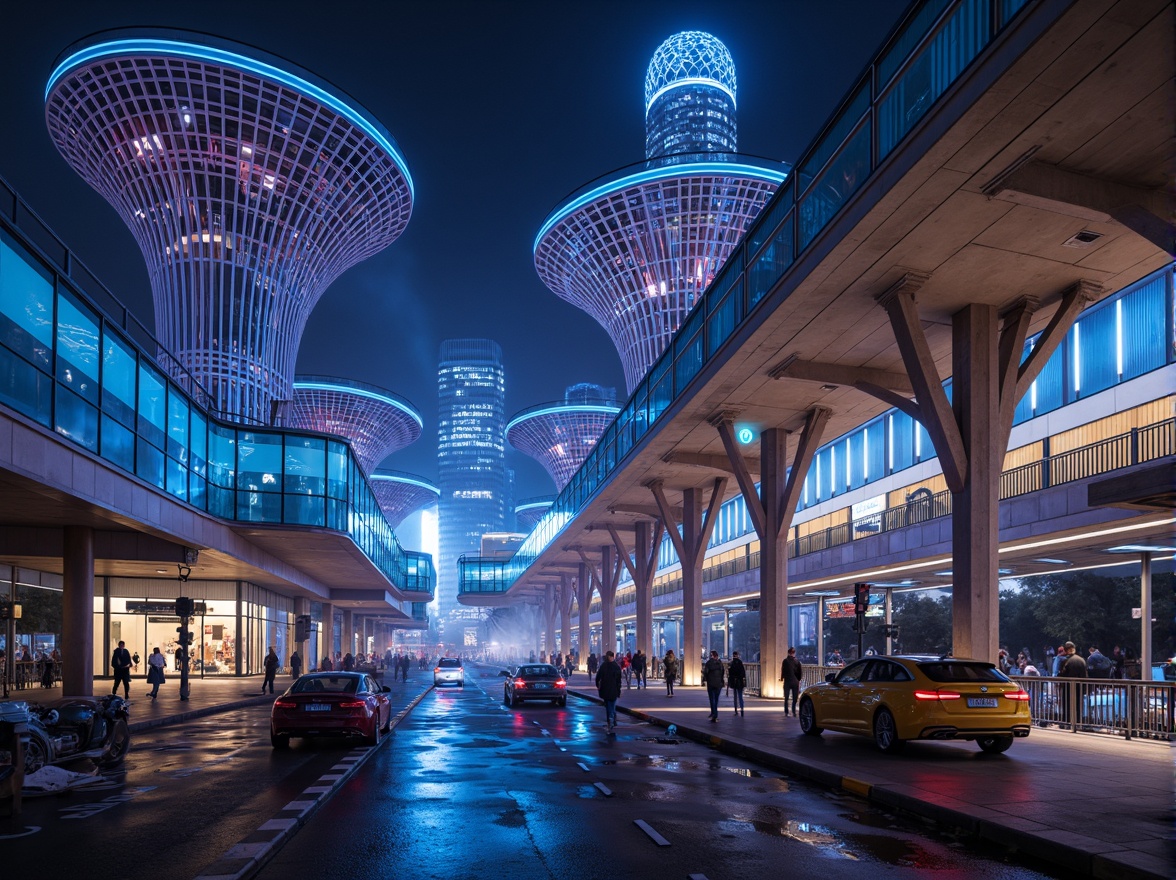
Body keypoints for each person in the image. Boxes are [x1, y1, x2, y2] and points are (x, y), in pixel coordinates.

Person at [595, 650, 623, 733]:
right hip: (611, 690)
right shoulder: (615, 666)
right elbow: (619, 680)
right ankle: (612, 720)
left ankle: (610, 722)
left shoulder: (604, 666)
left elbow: (598, 677)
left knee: (609, 706)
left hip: (607, 689)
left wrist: (598, 685)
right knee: (610, 706)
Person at [702, 650, 725, 722]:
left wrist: (705, 679)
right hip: (718, 684)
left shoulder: (708, 663)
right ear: (717, 656)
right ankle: (714, 714)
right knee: (716, 699)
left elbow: (705, 672)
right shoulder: (720, 664)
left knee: (712, 699)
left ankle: (714, 714)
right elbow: (722, 673)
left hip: (711, 683)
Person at [780, 646, 803, 716]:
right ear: (794, 653)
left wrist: (782, 678)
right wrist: (799, 680)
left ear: (788, 653)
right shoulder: (797, 661)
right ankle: (794, 711)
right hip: (795, 681)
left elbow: (783, 670)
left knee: (786, 697)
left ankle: (786, 712)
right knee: (795, 698)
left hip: (787, 681)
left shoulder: (785, 661)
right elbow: (800, 672)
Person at [728, 651, 746, 717]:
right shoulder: (740, 663)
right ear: (737, 655)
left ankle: (735, 709)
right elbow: (743, 673)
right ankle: (742, 709)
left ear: (733, 655)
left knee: (735, 696)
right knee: (740, 696)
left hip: (734, 682)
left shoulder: (731, 663)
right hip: (740, 682)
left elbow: (730, 674)